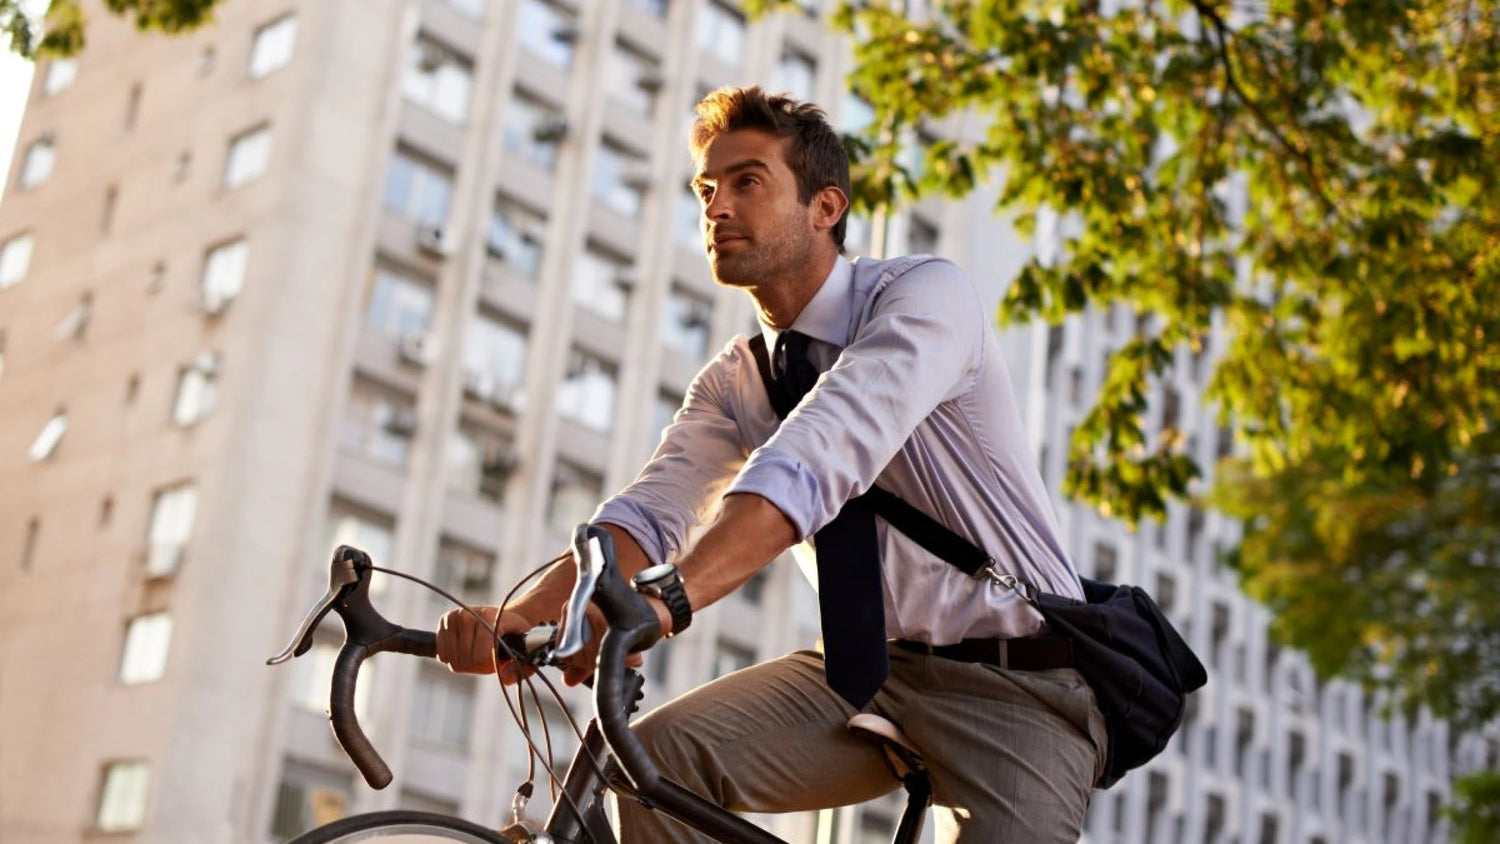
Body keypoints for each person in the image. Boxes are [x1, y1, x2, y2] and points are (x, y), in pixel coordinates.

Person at [436, 86, 1105, 842]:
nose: (717, 207)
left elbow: (817, 456)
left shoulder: (924, 299)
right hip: (870, 676)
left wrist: (665, 604)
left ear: (826, 208)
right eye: (707, 189)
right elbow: (649, 513)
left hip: (1019, 687)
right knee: (653, 763)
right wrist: (523, 615)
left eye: (747, 182)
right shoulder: (737, 378)